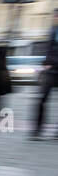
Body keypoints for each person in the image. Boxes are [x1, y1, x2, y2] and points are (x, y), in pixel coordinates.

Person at [32, 9, 58, 139]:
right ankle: (37, 131)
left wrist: (50, 62)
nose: (55, 19)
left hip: (53, 68)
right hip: (50, 72)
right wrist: (45, 63)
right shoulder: (53, 31)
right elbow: (48, 50)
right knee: (41, 100)